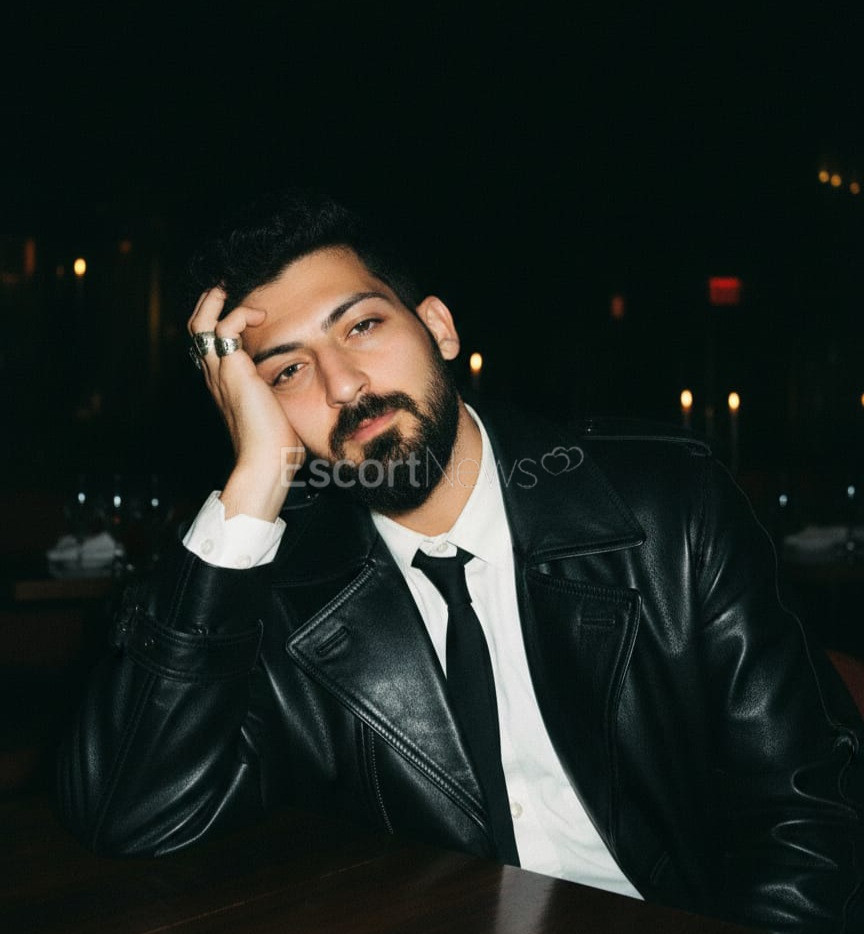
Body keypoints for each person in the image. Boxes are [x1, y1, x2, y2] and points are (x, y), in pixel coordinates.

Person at [58, 190, 864, 933]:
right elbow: (131, 813)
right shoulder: (271, 595)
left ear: (438, 328)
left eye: (361, 326)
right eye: (289, 370)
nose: (344, 385)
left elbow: (811, 813)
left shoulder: (666, 509)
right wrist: (256, 479)